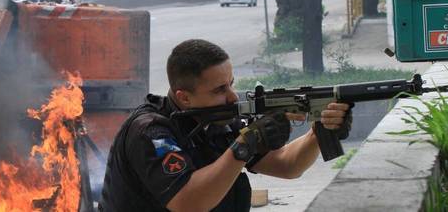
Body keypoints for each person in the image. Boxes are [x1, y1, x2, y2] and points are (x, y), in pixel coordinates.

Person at [99, 39, 352, 212]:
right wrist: (246, 144)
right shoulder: (151, 132)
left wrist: (319, 132)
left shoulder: (217, 120)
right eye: (220, 89)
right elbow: (189, 203)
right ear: (184, 96)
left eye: (230, 83)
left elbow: (287, 165)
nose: (232, 96)